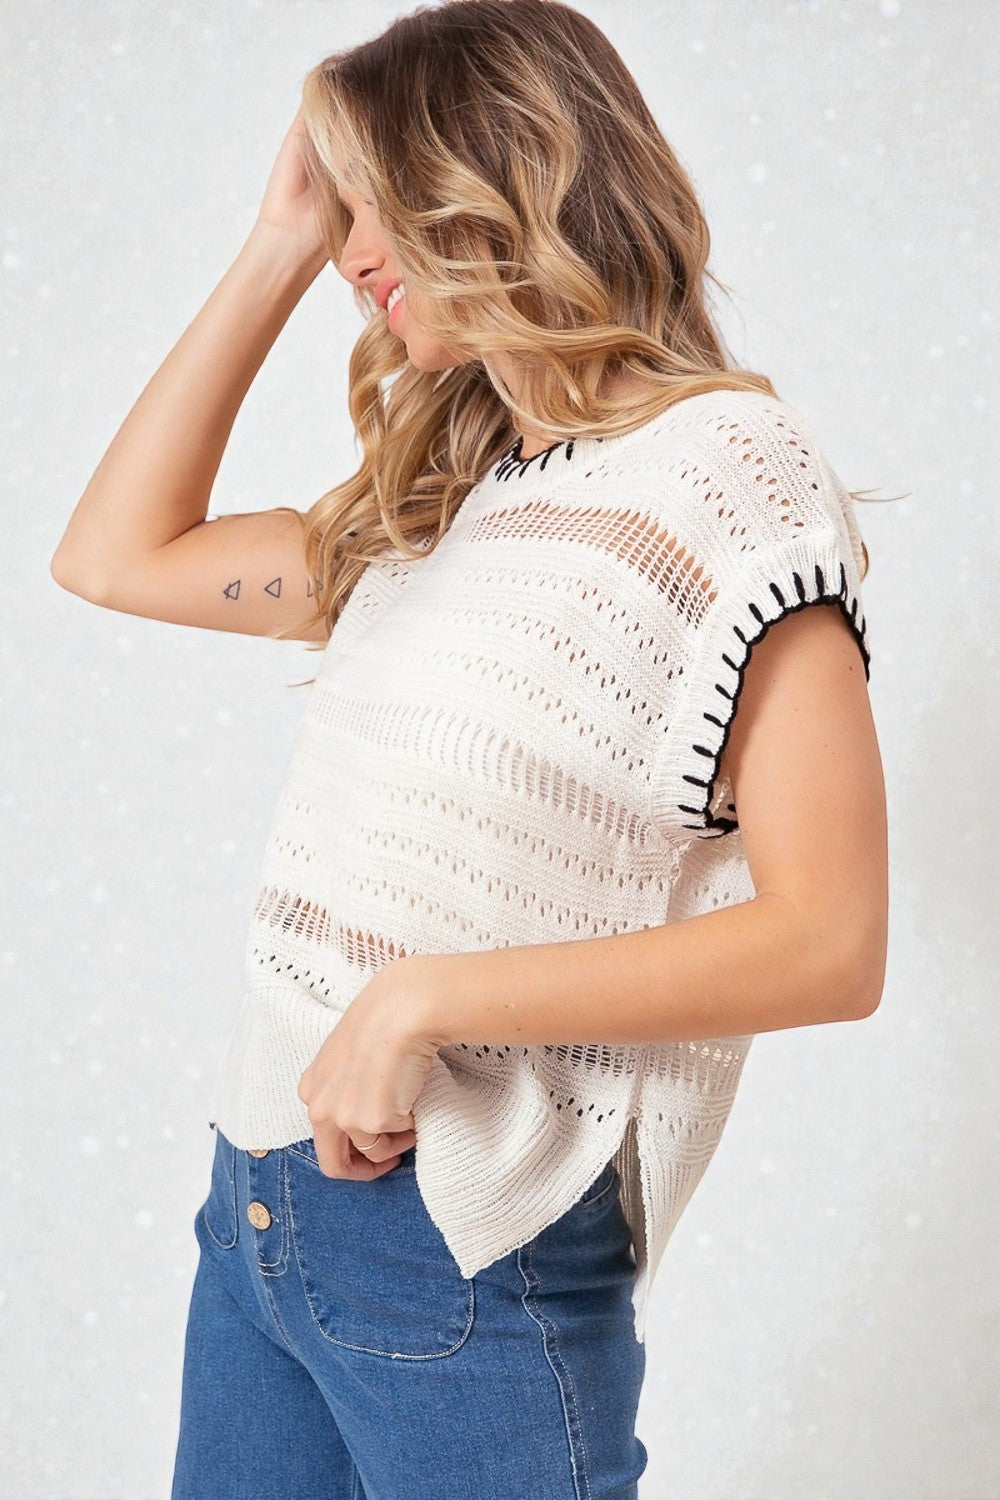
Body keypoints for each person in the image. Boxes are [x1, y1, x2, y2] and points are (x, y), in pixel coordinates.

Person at [50, 2, 889, 1496]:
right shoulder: (449, 506)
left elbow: (832, 941)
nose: (356, 247)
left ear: (495, 176)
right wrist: (277, 246)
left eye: (383, 200)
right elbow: (114, 556)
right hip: (259, 1211)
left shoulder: (726, 477)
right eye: (346, 207)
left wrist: (422, 1004)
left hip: (466, 1245)